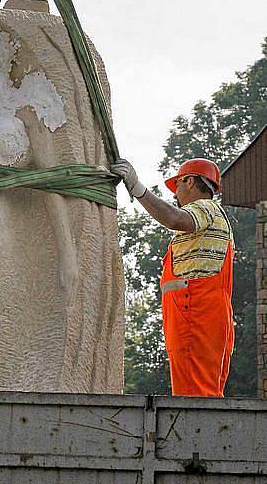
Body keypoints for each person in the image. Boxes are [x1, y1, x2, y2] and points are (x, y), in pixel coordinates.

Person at [110, 157, 234, 397]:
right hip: (202, 309)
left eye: (177, 186)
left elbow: (174, 218)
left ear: (189, 181)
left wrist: (138, 189)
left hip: (194, 308)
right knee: (202, 390)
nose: (175, 195)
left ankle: (195, 433)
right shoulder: (214, 217)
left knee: (193, 394)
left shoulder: (204, 208)